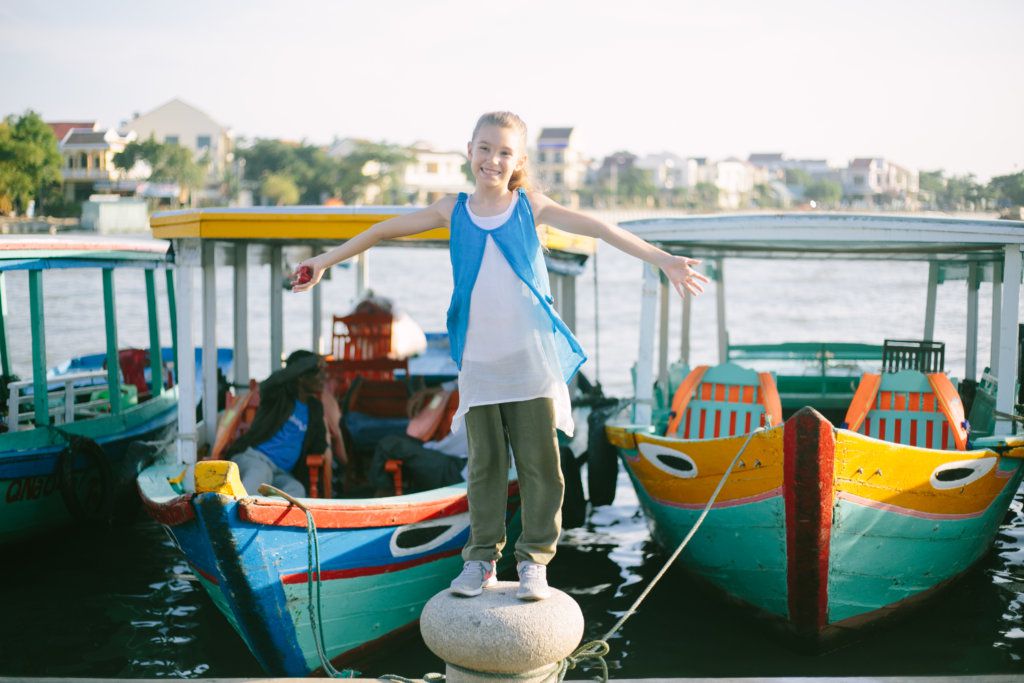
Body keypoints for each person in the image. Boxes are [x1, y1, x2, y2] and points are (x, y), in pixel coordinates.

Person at [292, 111, 709, 601]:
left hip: (529, 359)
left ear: (519, 161)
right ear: (469, 150)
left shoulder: (528, 206)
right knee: (485, 465)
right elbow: (383, 231)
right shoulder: (453, 209)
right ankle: (483, 559)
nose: (493, 159)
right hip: (480, 362)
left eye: (505, 151)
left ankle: (534, 560)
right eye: (485, 148)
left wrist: (662, 259)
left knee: (539, 464)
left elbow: (599, 228)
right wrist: (323, 261)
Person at [226, 351, 331, 497]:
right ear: (300, 376)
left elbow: (318, 444)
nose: (324, 377)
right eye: (318, 373)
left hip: (281, 473)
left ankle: (264, 520)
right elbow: (275, 380)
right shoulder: (277, 396)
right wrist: (312, 361)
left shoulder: (314, 407)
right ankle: (234, 516)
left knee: (296, 490)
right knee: (260, 474)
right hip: (255, 459)